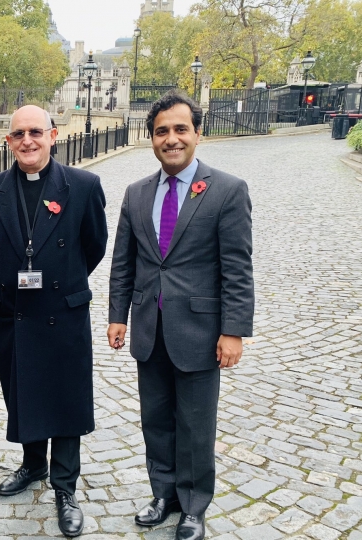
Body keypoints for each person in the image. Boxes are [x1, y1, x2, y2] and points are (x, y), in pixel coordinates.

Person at [107, 90, 254, 540]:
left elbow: (237, 266)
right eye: (161, 131)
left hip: (199, 331)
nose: (171, 139)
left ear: (197, 133)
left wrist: (233, 331)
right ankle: (163, 494)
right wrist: (118, 316)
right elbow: (124, 262)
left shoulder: (227, 190)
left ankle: (193, 505)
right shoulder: (136, 194)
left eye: (179, 129)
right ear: (152, 138)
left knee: (195, 423)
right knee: (155, 418)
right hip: (150, 329)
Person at [0, 105, 108, 537]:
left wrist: (61, 278)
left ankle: (66, 487)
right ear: (8, 141)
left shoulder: (83, 186)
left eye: (36, 132)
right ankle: (33, 464)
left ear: (53, 135)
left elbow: (94, 245)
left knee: (66, 398)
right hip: (16, 312)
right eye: (18, 134)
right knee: (24, 390)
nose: (27, 140)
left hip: (63, 311)